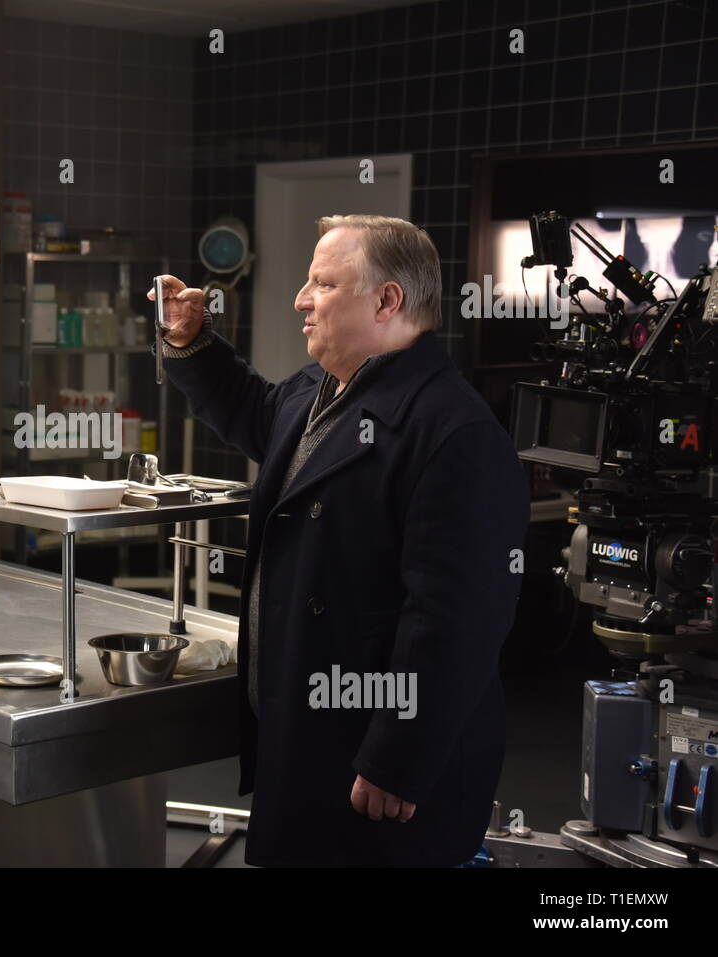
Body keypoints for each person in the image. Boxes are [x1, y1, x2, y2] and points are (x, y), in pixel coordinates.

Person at [151, 214, 530, 867]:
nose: (301, 299)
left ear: (387, 300)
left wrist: (397, 758)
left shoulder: (452, 431)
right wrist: (194, 341)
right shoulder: (320, 389)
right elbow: (254, 412)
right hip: (307, 741)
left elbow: (454, 621)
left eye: (322, 284)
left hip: (377, 772)